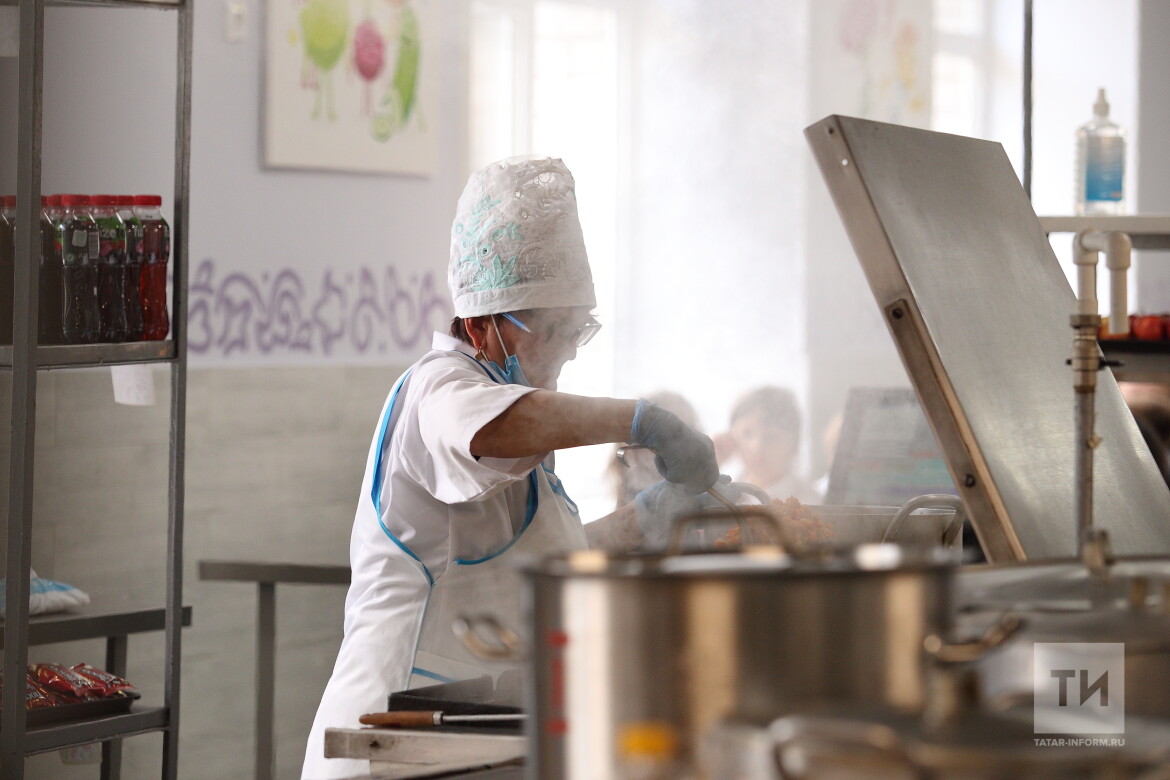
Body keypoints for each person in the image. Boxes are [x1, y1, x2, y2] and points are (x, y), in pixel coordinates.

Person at [302, 157, 719, 780]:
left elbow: (531, 566)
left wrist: (647, 516)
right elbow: (492, 427)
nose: (566, 352)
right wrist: (641, 422)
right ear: (480, 324)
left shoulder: (520, 417)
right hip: (392, 737)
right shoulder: (438, 390)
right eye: (551, 331)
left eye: (577, 330)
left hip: (472, 728)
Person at [715, 386, 822, 504]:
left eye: (771, 437)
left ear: (795, 445)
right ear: (732, 437)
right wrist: (710, 465)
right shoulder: (719, 494)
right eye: (747, 434)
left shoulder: (810, 503)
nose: (757, 446)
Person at [608, 390, 701, 508]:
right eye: (670, 433)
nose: (683, 447)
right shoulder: (634, 508)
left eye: (688, 432)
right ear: (633, 452)